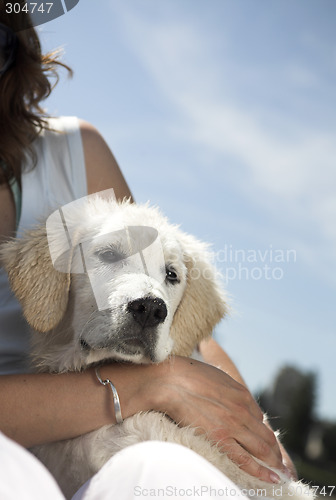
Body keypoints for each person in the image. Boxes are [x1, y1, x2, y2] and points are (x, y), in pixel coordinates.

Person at [0, 4, 295, 499]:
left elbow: (185, 336)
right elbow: (162, 377)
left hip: (115, 435)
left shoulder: (72, 153)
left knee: (165, 474)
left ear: (15, 51)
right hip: (29, 444)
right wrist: (143, 388)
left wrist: (252, 435)